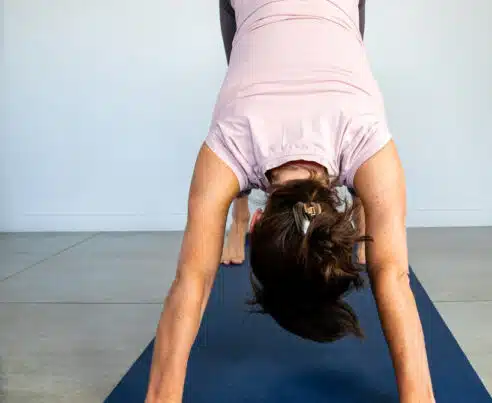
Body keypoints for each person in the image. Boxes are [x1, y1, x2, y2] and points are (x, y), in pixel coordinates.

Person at [145, 1, 435, 402]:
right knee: (300, 44)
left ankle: (362, 210)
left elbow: (394, 276)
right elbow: (191, 279)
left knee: (337, 34)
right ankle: (242, 214)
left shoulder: (367, 137)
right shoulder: (229, 142)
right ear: (259, 219)